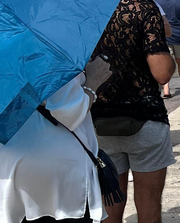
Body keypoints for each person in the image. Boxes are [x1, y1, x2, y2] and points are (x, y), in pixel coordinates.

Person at [91, 0, 176, 223]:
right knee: (149, 205)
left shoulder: (87, 12)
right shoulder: (145, 10)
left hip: (99, 121)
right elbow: (162, 73)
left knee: (108, 209)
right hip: (144, 119)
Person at [0, 58, 112, 223]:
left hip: (11, 164)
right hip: (59, 171)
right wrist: (93, 82)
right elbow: (69, 110)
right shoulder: (49, 53)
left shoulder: (7, 51)